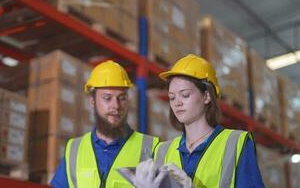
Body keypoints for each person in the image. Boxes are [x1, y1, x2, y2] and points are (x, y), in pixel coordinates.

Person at [134, 54, 265, 188]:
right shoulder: (162, 151)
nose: (177, 103)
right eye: (172, 98)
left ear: (206, 96)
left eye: (185, 95)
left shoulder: (235, 143)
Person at [50, 60, 159, 188]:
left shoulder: (151, 148)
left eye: (122, 98)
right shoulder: (74, 149)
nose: (116, 106)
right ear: (92, 101)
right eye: (107, 98)